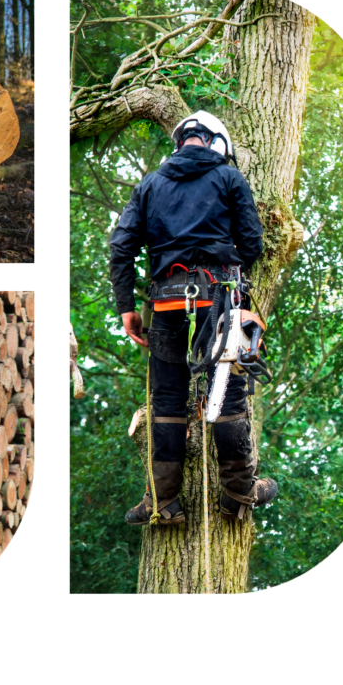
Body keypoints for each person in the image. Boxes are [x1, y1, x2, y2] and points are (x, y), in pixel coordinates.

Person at [109, 110, 278, 525]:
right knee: (228, 394)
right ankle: (239, 492)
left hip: (166, 304)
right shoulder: (228, 178)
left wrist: (126, 308)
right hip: (219, 299)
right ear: (217, 143)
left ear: (180, 143)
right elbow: (253, 244)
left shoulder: (150, 184)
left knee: (167, 399)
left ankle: (162, 502)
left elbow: (121, 248)